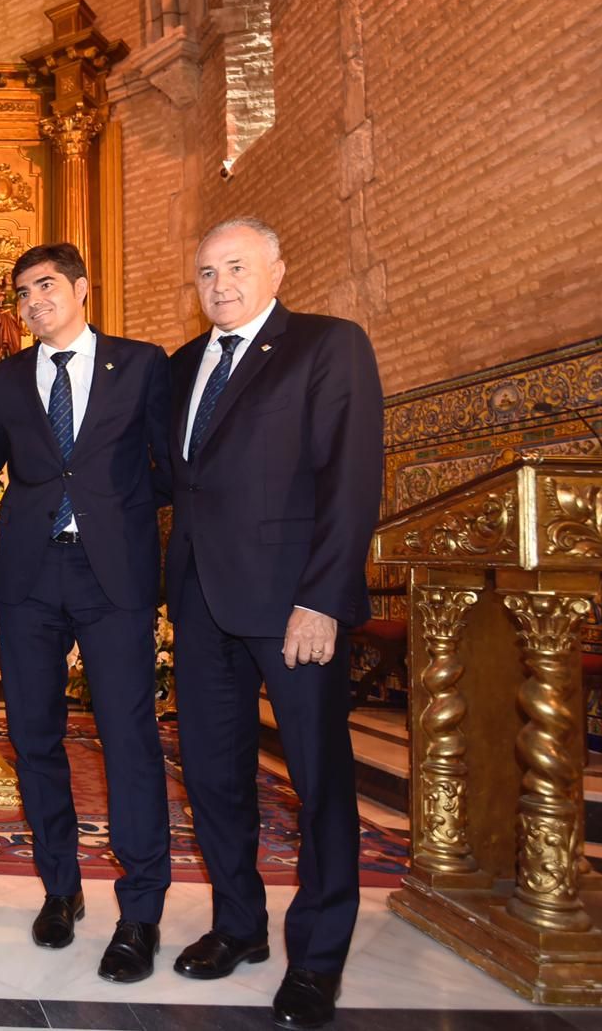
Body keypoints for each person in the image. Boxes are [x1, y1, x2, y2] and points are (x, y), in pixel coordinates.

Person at [167, 217, 382, 1030]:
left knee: (318, 782)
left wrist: (323, 597)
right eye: (206, 273)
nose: (220, 285)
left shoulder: (328, 345)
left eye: (236, 267)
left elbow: (352, 477)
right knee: (214, 778)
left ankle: (318, 959)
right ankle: (238, 927)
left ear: (277, 269)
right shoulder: (185, 365)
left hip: (294, 606)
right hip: (201, 606)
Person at [0, 242, 173, 980]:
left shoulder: (141, 363)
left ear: (83, 288)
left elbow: (167, 467)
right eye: (22, 293)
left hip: (111, 573)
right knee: (35, 735)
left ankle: (142, 909)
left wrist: (118, 518)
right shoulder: (7, 377)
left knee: (128, 737)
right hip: (28, 575)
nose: (33, 302)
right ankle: (61, 887)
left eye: (46, 286)